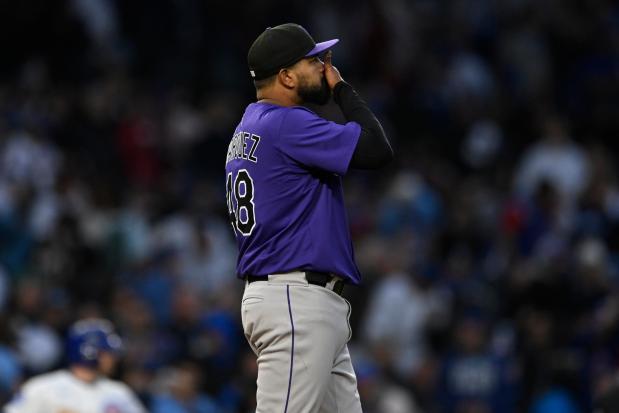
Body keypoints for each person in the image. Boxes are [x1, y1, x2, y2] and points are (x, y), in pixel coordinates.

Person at [225, 23, 393, 412]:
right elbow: (376, 149)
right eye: (312, 60)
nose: (323, 66)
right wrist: (342, 89)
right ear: (285, 76)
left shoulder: (249, 126)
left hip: (297, 298)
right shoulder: (285, 123)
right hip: (294, 299)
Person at [3, 318, 146, 413]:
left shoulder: (119, 393)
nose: (113, 358)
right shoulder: (42, 388)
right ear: (89, 353)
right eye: (106, 353)